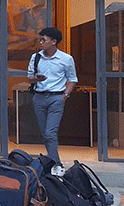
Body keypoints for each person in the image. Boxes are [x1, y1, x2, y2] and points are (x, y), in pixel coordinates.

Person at [27, 27, 77, 164]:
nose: (41, 42)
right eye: (40, 39)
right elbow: (29, 78)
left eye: (44, 40)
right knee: (46, 134)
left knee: (50, 133)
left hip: (57, 98)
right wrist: (36, 78)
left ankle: (56, 164)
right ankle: (53, 163)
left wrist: (65, 96)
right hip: (39, 97)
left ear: (54, 41)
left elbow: (72, 79)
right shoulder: (36, 57)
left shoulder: (66, 59)